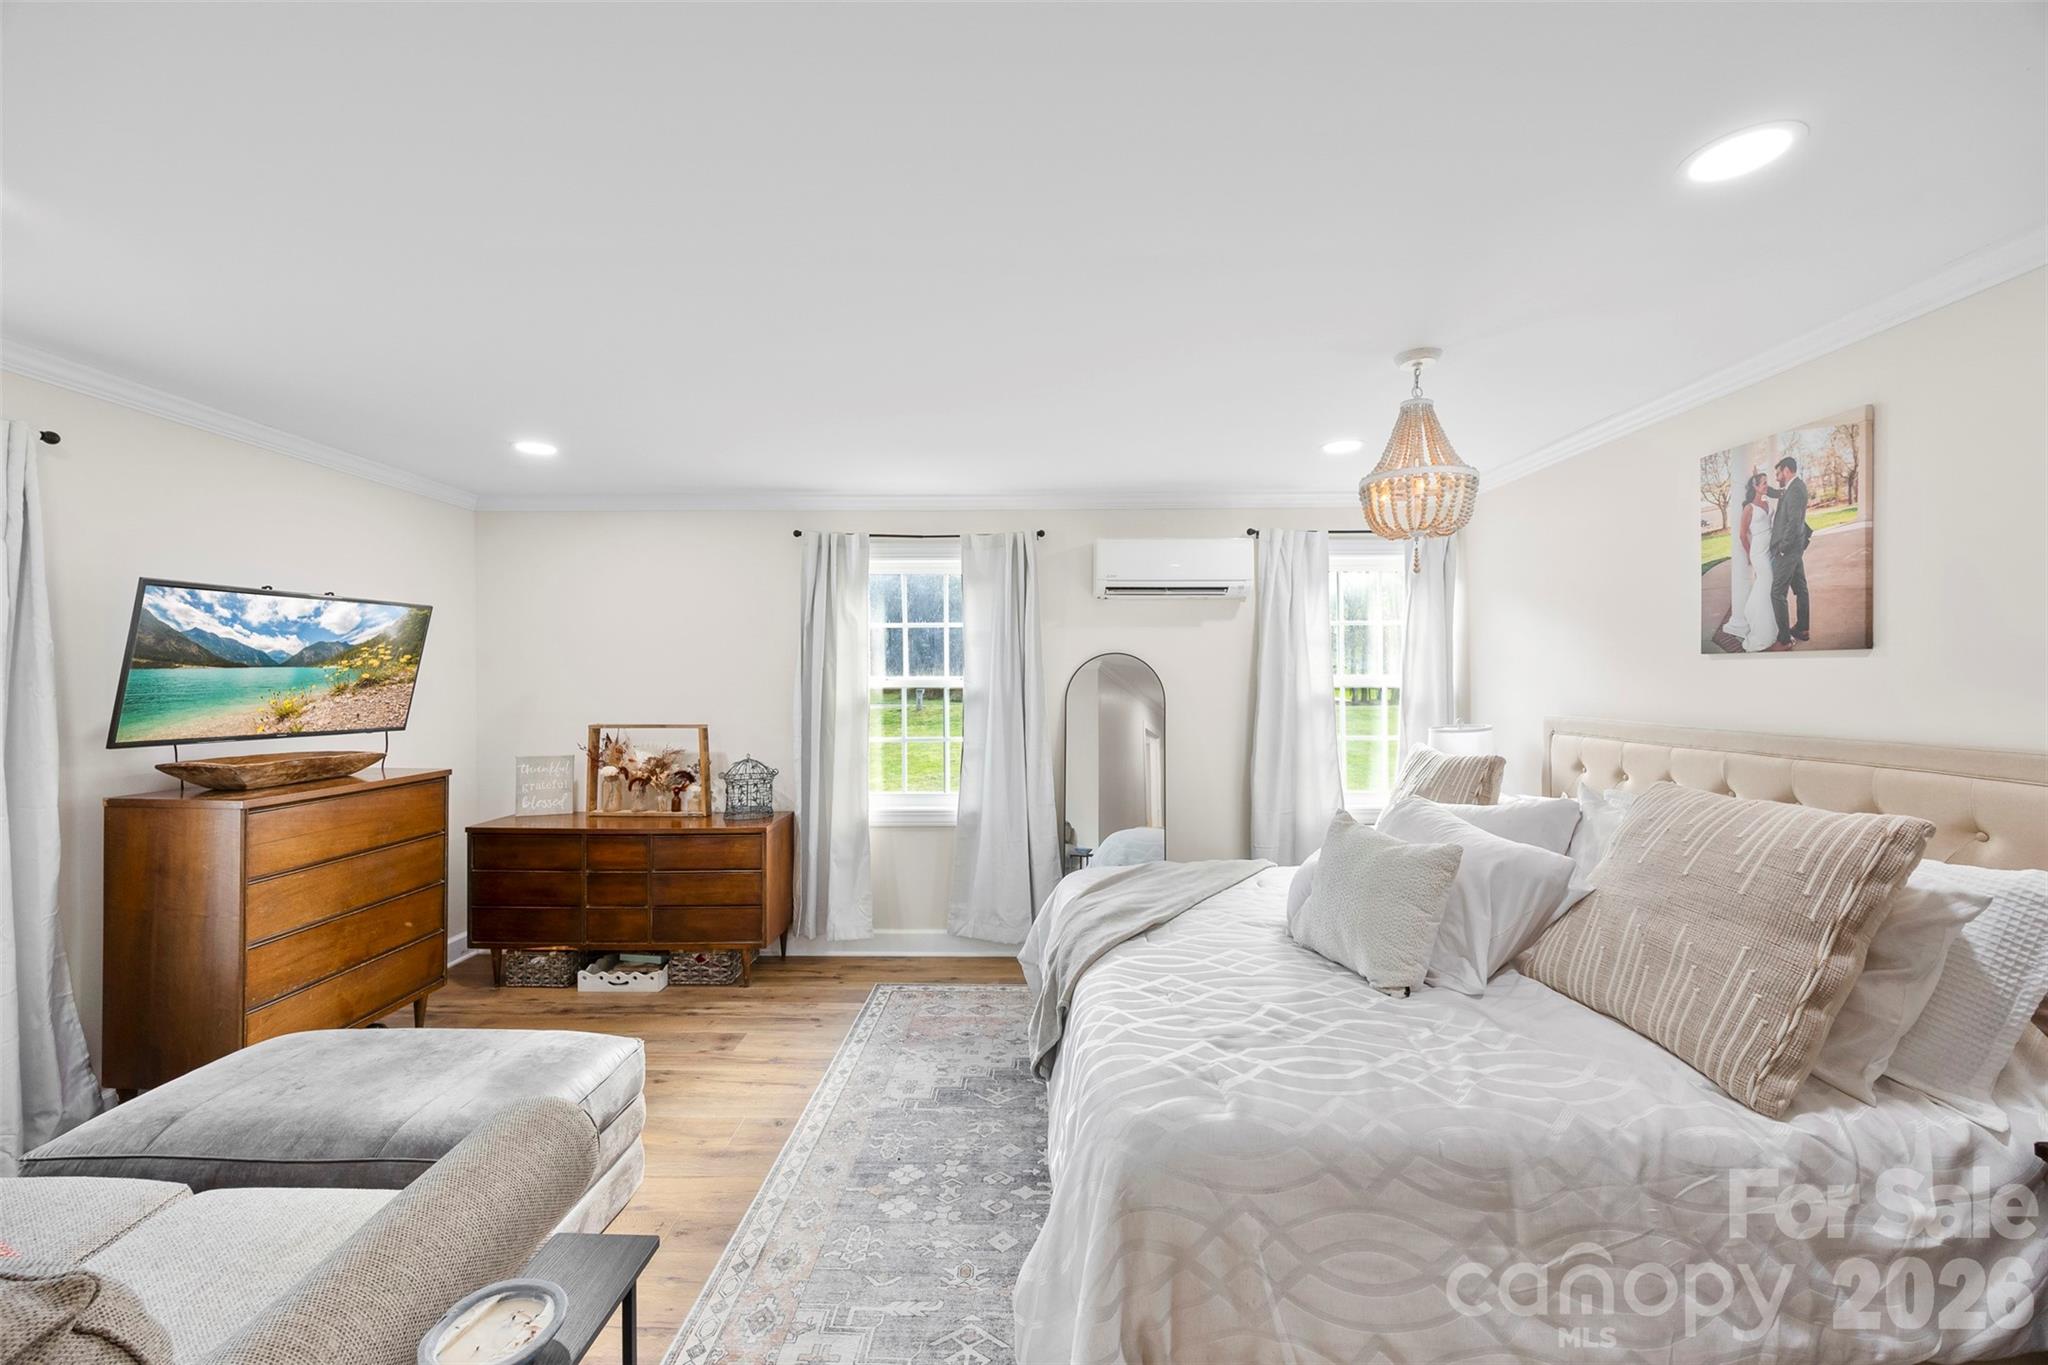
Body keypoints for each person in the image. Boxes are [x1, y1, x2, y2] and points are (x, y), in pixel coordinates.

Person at [1724, 472, 1779, 652]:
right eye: (1763, 483)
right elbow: (1742, 535)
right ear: (1755, 487)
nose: (1766, 485)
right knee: (1767, 583)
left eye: (1766, 482)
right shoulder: (1749, 508)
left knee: (1768, 587)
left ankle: (1764, 619)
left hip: (1770, 549)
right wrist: (1749, 555)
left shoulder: (1767, 502)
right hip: (1758, 552)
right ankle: (1763, 631)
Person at [1764, 455, 1811, 649]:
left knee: (1777, 593)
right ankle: (1802, 628)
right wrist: (1761, 484)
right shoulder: (1793, 487)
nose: (1776, 477)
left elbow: (1793, 523)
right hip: (1795, 549)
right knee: (1801, 588)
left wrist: (1782, 548)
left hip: (1789, 550)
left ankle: (1784, 639)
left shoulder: (1795, 490)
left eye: (1778, 474)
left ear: (1787, 471)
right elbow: (1777, 493)